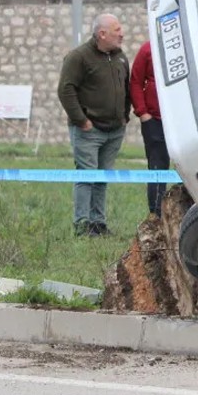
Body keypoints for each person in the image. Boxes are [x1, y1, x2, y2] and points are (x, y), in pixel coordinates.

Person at [57, 14, 130, 237]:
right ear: (102, 34)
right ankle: (82, 225)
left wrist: (124, 116)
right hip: (89, 130)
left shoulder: (120, 57)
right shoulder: (78, 57)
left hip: (114, 130)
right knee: (87, 176)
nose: (122, 34)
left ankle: (98, 224)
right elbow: (65, 90)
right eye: (117, 29)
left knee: (102, 178)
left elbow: (126, 86)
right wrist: (81, 120)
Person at [130, 40, 170, 216]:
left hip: (180, 120)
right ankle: (156, 212)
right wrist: (143, 113)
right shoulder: (147, 49)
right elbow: (136, 81)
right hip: (154, 120)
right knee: (157, 166)